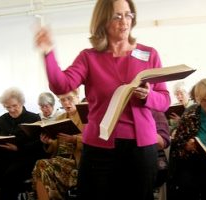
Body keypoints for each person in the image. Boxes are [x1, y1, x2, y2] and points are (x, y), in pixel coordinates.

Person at [34, 0, 170, 199]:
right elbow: (61, 85)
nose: (124, 21)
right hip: (99, 146)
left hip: (141, 148)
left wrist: (148, 96)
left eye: (128, 15)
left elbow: (164, 100)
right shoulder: (89, 57)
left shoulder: (149, 54)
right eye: (117, 16)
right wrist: (47, 52)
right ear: (103, 20)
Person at [0, 87, 49, 200]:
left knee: (9, 177)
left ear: (21, 102)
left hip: (24, 157)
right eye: (7, 107)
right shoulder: (2, 119)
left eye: (14, 106)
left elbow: (38, 144)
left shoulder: (33, 118)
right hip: (3, 156)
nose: (11, 110)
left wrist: (18, 148)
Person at [33, 89, 84, 200]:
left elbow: (93, 142)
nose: (66, 103)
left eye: (69, 99)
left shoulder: (86, 116)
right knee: (40, 167)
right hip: (60, 158)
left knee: (41, 165)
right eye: (62, 100)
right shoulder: (60, 118)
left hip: (76, 161)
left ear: (77, 97)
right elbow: (57, 144)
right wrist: (49, 142)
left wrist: (75, 139)